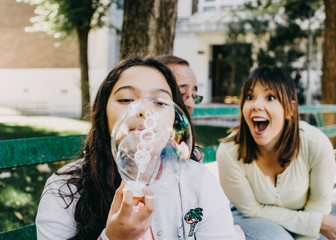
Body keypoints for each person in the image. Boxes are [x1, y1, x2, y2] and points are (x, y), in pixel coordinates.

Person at [36, 57, 237, 240]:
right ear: (103, 113)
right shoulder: (63, 189)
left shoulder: (199, 183)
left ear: (175, 118)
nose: (144, 111)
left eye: (159, 102)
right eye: (126, 100)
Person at [216, 66, 336, 240]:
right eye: (250, 97)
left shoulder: (315, 144)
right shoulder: (230, 151)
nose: (256, 105)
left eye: (270, 97)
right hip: (249, 218)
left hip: (304, 216)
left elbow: (318, 207)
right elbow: (251, 209)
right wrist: (315, 224)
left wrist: (313, 225)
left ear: (290, 110)